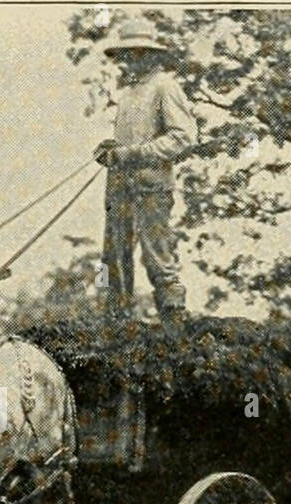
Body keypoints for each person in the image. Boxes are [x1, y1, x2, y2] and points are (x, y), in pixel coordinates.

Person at [94, 19, 196, 325]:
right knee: (112, 257)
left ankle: (172, 316)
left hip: (151, 186)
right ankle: (116, 318)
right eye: (126, 54)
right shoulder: (126, 95)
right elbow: (127, 141)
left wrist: (134, 154)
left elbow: (183, 137)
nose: (130, 61)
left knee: (157, 254)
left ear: (151, 55)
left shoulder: (165, 86)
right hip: (118, 187)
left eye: (137, 53)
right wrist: (109, 149)